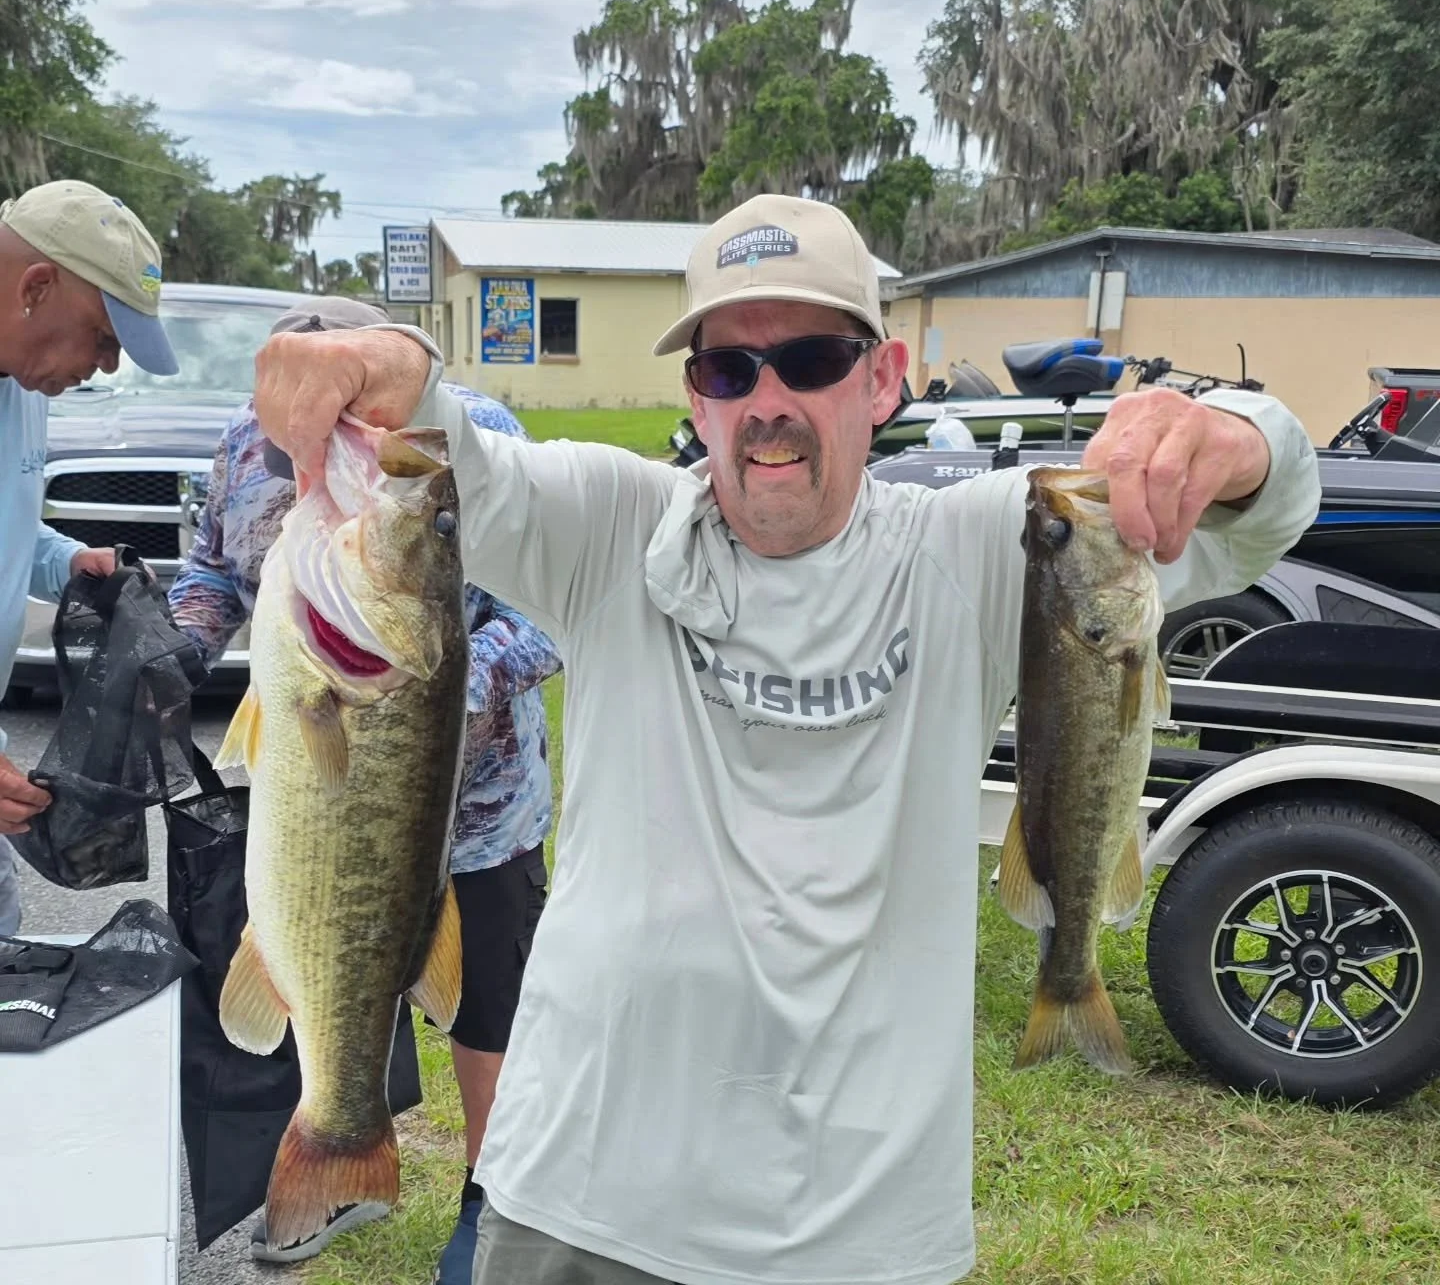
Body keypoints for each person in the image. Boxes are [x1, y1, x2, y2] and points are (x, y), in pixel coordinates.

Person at [250, 193, 1322, 1285]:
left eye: (809, 358)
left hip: (861, 1235)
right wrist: (383, 357)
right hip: (576, 1201)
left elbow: (1263, 519)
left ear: (883, 379)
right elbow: (444, 454)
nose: (767, 402)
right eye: (729, 370)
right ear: (696, 397)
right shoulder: (612, 528)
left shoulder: (993, 549)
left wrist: (1230, 435)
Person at [167, 296, 561, 1278]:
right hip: (328, 802)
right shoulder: (244, 448)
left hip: (482, 806)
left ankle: (491, 1201)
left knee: (487, 1011)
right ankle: (338, 1164)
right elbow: (217, 571)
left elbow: (552, 613)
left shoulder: (469, 441)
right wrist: (176, 646)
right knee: (319, 972)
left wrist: (429, 688)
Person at [0, 180, 178, 937]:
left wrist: (69, 560)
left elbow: (13, 530)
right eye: (103, 339)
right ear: (36, 288)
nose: (105, 368)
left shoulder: (24, 385)